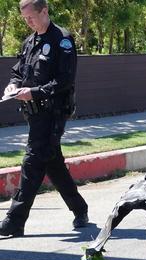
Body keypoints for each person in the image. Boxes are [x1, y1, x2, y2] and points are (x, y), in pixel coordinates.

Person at [0, 0, 88, 237]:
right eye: (25, 19)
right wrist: (13, 85)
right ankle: (80, 209)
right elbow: (19, 71)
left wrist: (34, 92)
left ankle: (14, 220)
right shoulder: (31, 41)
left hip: (53, 113)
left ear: (45, 11)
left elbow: (65, 80)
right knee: (52, 163)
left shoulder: (62, 40)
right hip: (35, 114)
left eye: (31, 17)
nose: (28, 22)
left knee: (32, 161)